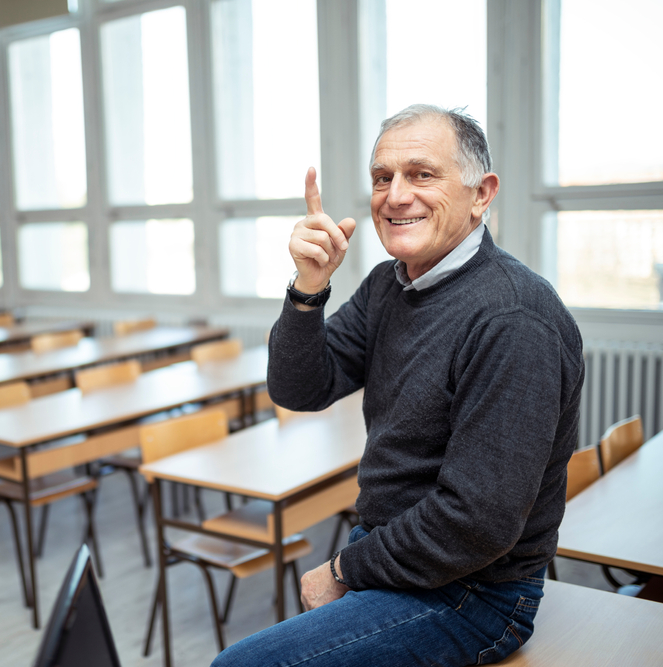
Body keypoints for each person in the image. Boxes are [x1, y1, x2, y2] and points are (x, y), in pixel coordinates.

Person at [211, 105, 584, 666]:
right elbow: (299, 389)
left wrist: (342, 569)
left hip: (474, 593)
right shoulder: (391, 285)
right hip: (396, 554)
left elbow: (475, 524)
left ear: (482, 194)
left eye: (422, 174)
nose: (396, 195)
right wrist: (309, 288)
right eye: (383, 178)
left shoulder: (512, 319)